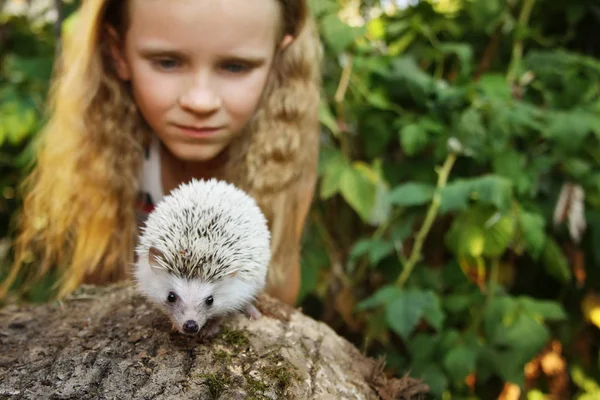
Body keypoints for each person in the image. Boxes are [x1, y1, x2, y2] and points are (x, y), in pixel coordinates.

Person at [1, 0, 322, 306]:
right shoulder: (102, 155)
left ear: (277, 60)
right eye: (167, 62)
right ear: (118, 53)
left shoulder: (284, 161)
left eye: (235, 66)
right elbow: (96, 290)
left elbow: (276, 297)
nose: (200, 101)